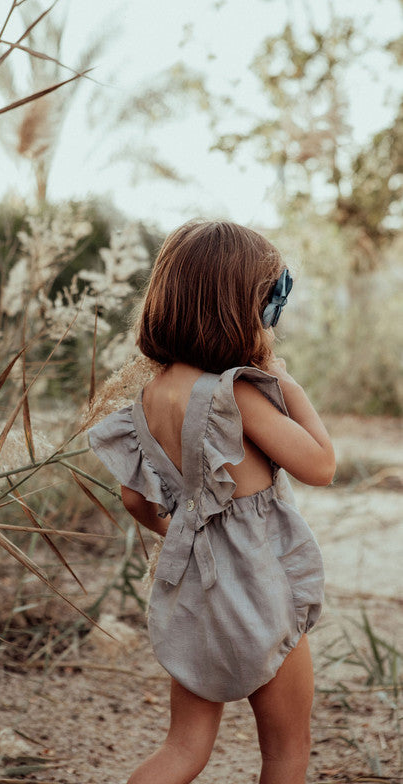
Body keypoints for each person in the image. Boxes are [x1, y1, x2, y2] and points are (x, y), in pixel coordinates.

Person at [88, 220, 335, 784]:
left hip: (193, 588)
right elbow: (321, 466)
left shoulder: (148, 399)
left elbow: (134, 499)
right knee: (287, 750)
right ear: (242, 309)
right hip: (260, 587)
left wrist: (187, 532)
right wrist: (288, 385)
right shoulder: (238, 392)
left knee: (184, 747)